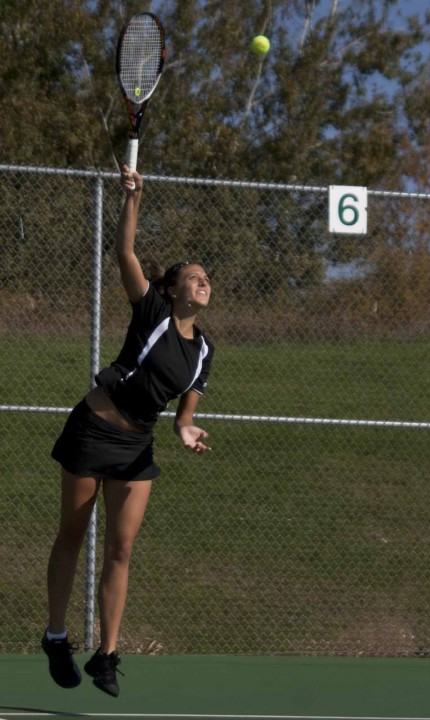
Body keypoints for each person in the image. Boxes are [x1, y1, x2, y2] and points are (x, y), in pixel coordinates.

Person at [42, 166, 214, 698]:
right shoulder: (152, 310)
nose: (204, 281)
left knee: (121, 549)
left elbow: (184, 412)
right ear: (170, 288)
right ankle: (55, 636)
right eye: (194, 275)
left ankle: (108, 655)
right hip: (94, 429)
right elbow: (126, 255)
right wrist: (132, 199)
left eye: (208, 277)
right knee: (72, 535)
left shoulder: (204, 351)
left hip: (137, 445)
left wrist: (185, 431)